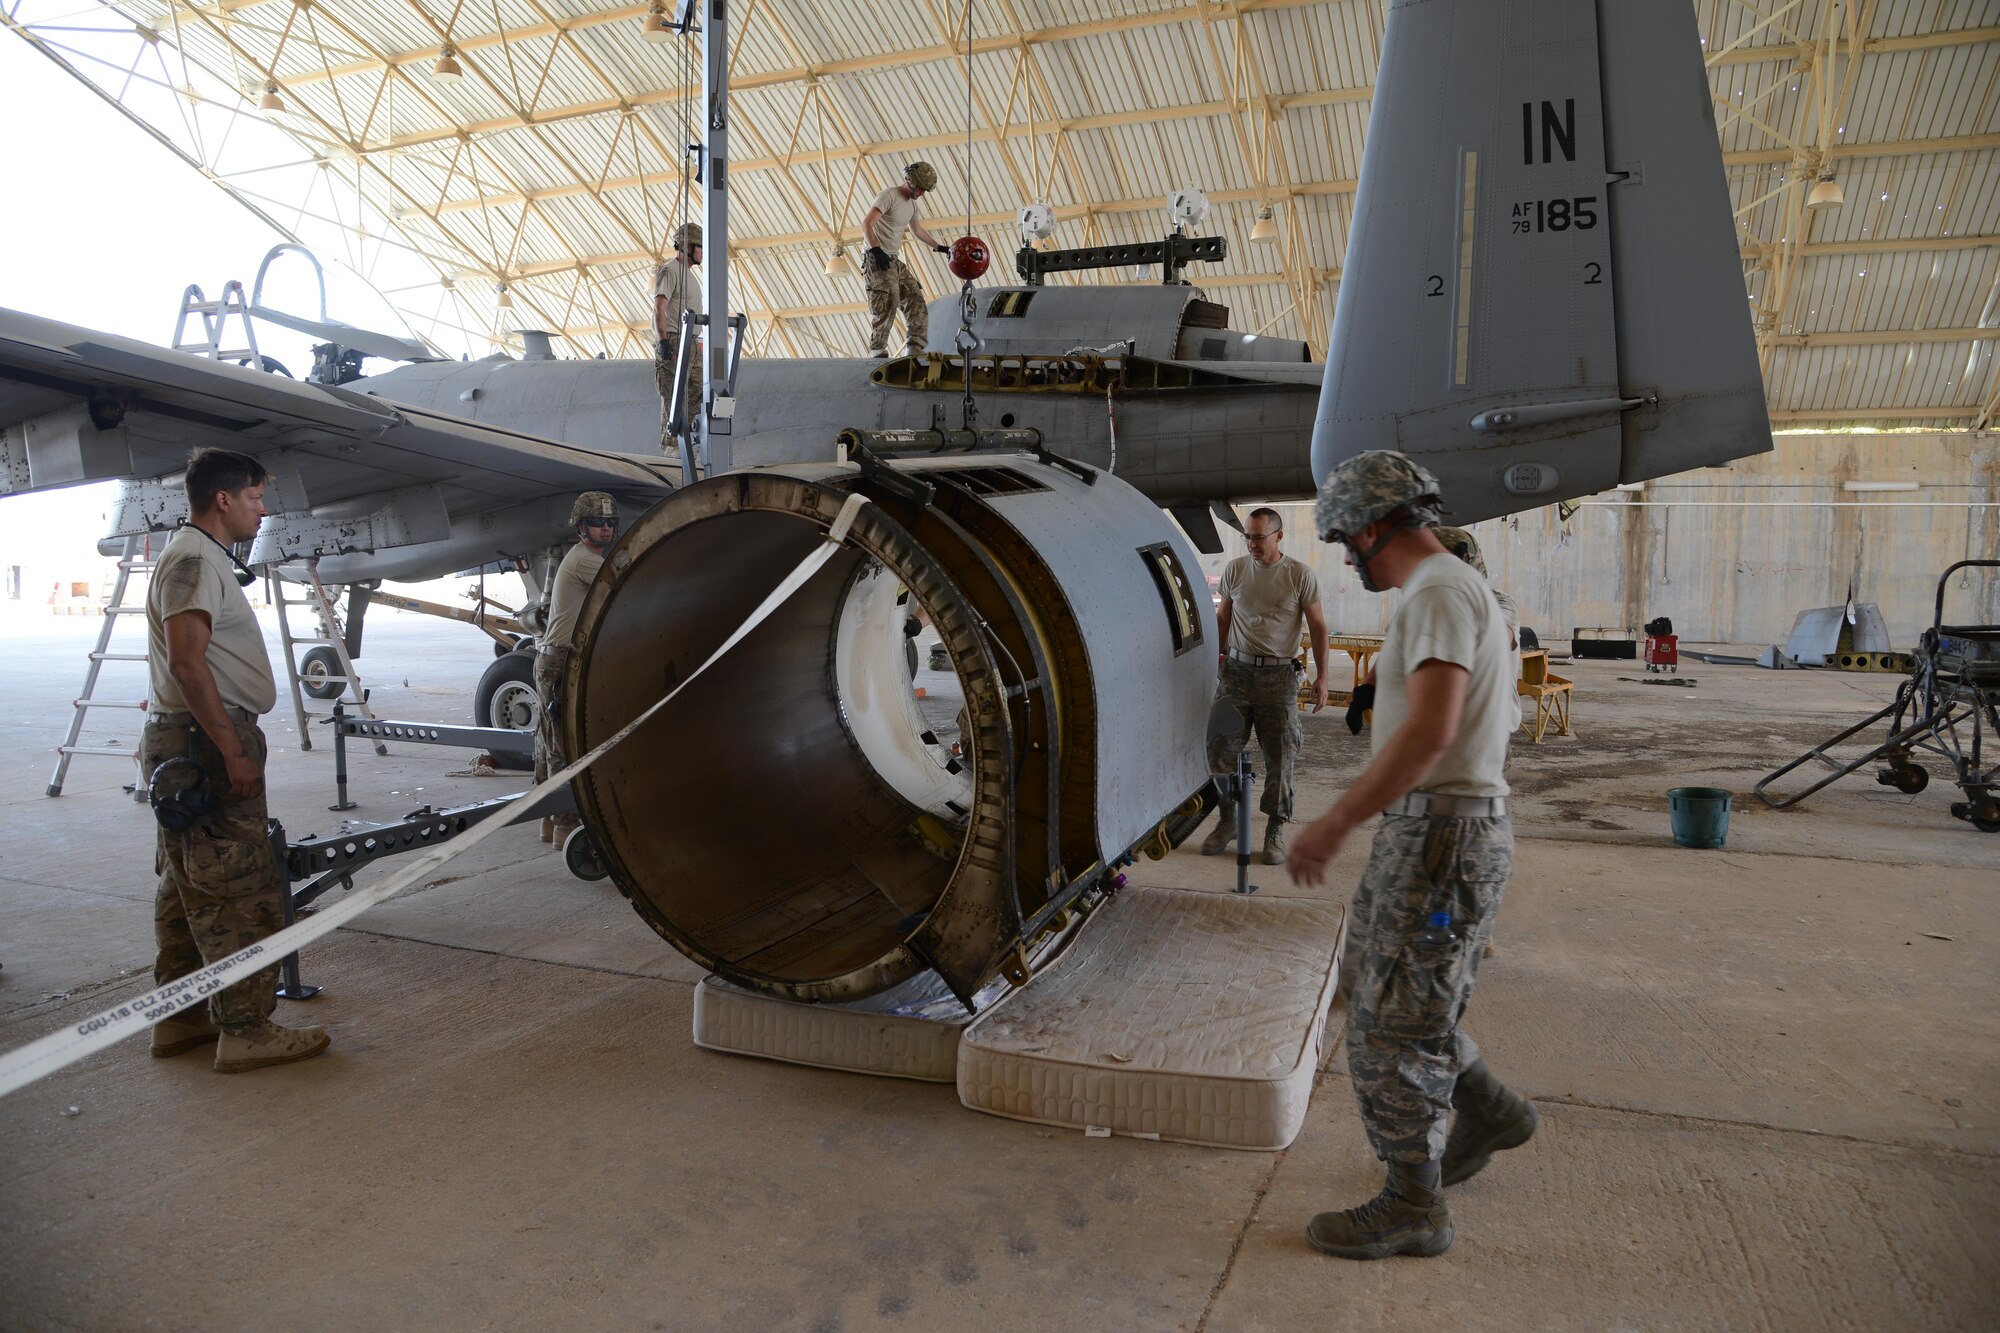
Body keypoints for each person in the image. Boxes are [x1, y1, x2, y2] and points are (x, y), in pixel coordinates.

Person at [1287, 450, 1536, 1261]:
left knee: (1391, 1029)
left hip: (1438, 836)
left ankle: (1412, 1205)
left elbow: (1431, 732)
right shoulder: (1454, 589)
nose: (1346, 556)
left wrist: (1335, 821)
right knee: (1376, 983)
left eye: (1343, 540)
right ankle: (1488, 1105)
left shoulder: (1433, 592)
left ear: (1367, 527)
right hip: (1434, 832)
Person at [142, 447, 330, 1073]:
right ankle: (246, 1030)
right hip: (206, 743)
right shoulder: (194, 560)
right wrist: (230, 747)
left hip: (193, 738)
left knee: (186, 886)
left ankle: (182, 1018)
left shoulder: (199, 559)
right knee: (239, 891)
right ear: (223, 500)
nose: (262, 508)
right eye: (254, 497)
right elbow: (187, 662)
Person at [1200, 506, 1330, 866]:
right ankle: (1227, 821)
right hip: (1237, 674)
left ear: (1278, 536)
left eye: (1259, 537)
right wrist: (1215, 659)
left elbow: (1318, 626)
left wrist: (1322, 677)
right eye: (1247, 536)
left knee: (1281, 757)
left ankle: (1275, 828)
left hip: (1279, 678)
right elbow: (1223, 616)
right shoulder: (1236, 570)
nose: (1252, 544)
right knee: (1219, 750)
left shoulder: (1299, 575)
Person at [536, 492, 618, 845]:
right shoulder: (586, 559)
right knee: (563, 744)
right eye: (599, 523)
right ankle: (566, 826)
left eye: (611, 522)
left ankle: (549, 822)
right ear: (582, 527)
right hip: (561, 661)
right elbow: (625, 580)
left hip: (553, 659)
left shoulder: (582, 555)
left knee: (548, 743)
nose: (606, 528)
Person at [858, 162, 950, 359]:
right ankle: (877, 349)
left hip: (893, 260)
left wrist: (939, 247)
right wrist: (875, 249)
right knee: (888, 299)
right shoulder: (889, 196)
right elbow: (866, 224)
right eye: (920, 189)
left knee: (916, 299)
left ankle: (915, 351)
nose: (922, 194)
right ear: (910, 182)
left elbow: (917, 231)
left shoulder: (912, 206)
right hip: (876, 258)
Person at [653, 223, 703, 455]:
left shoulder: (689, 275)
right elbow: (659, 307)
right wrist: (663, 340)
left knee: (694, 393)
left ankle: (686, 443)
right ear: (686, 246)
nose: (701, 251)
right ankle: (671, 448)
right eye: (698, 246)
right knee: (673, 396)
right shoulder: (670, 270)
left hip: (690, 341)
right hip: (674, 339)